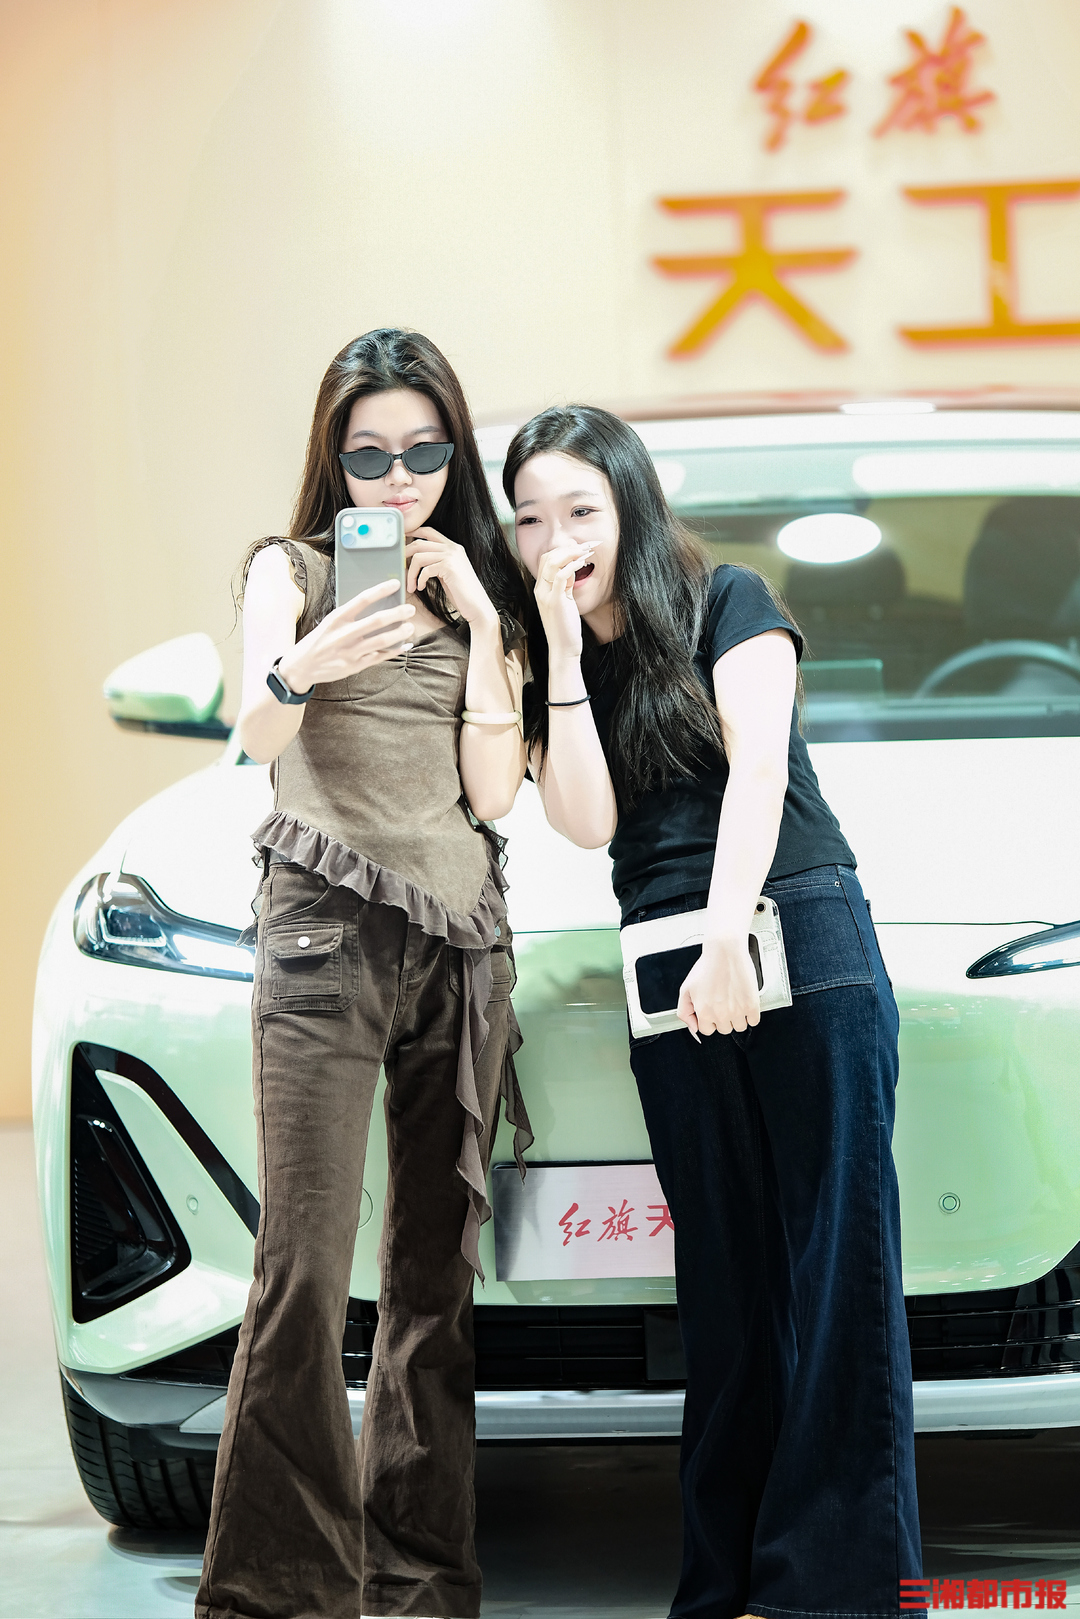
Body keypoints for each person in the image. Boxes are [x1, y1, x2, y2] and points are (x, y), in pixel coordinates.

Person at [505, 404, 922, 1619]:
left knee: (837, 1271)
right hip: (666, 969)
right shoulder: (547, 666)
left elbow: (759, 764)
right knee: (728, 1292)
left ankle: (834, 1591)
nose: (558, 538)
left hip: (794, 928)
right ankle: (730, 1581)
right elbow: (585, 820)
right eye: (531, 519)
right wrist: (560, 655)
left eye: (581, 509)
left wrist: (730, 931)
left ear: (630, 504)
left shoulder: (729, 597)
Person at [196, 328, 532, 1619]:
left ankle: (421, 1581)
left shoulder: (476, 590)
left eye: (424, 453)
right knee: (302, 1266)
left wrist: (486, 619)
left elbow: (493, 793)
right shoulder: (289, 569)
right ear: (333, 458)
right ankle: (277, 1594)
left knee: (434, 1283)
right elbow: (254, 729)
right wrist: (307, 660)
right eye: (371, 455)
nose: (399, 481)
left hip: (460, 941)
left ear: (455, 452)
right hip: (324, 930)